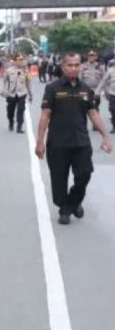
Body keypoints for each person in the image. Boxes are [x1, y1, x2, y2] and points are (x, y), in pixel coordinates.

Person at [35, 52, 113, 225]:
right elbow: (45, 115)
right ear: (63, 66)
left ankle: (72, 203)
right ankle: (65, 208)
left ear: (80, 66)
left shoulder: (85, 89)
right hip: (58, 143)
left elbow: (93, 114)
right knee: (59, 181)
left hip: (81, 142)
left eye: (76, 65)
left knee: (84, 175)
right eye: (69, 65)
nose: (73, 68)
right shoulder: (52, 88)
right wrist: (40, 141)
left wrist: (106, 137)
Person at [2, 54, 32, 133]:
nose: (21, 61)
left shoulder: (25, 71)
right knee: (10, 111)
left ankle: (19, 127)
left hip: (22, 93)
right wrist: (4, 91)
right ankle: (11, 122)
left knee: (21, 110)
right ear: (15, 61)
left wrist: (30, 94)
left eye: (22, 60)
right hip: (11, 94)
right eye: (19, 60)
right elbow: (5, 81)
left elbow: (28, 83)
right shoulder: (9, 70)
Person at [96, 59, 115, 134]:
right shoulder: (110, 70)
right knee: (112, 109)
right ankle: (114, 125)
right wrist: (97, 91)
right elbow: (103, 81)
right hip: (113, 93)